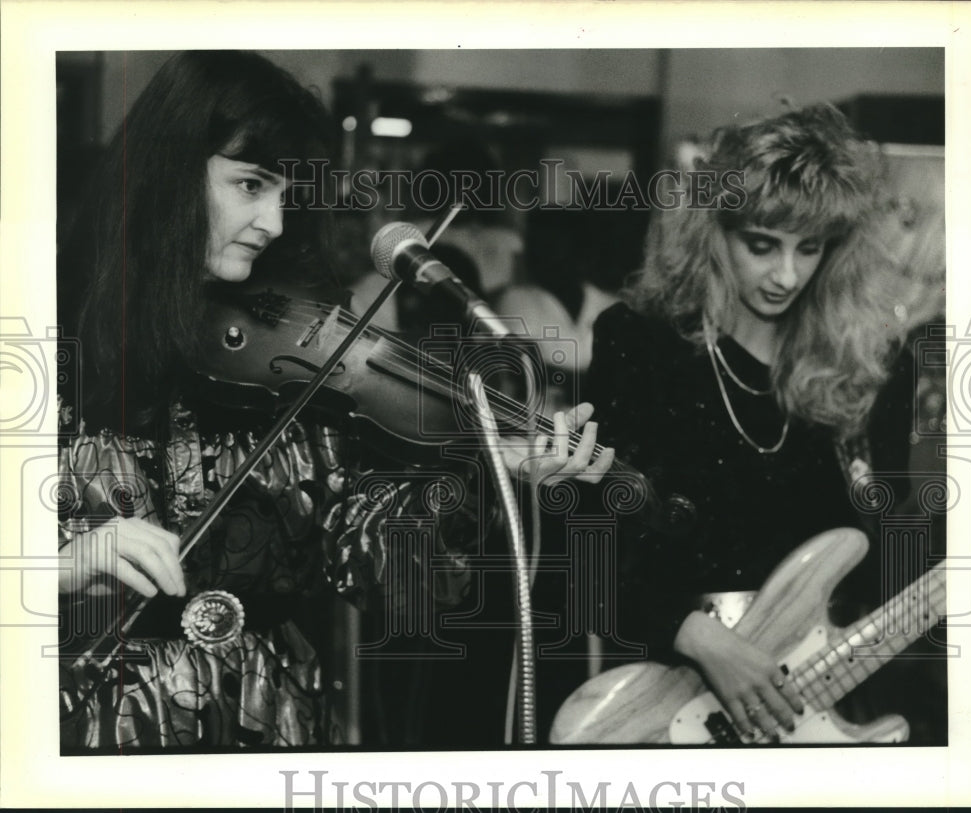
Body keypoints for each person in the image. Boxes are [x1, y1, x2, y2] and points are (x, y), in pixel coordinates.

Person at [56, 50, 612, 751]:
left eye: (286, 193)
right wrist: (59, 562)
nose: (275, 223)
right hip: (90, 721)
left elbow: (365, 552)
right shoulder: (51, 333)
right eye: (250, 184)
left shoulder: (292, 345)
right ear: (168, 170)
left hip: (268, 717)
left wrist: (485, 475)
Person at [585, 104, 925, 742]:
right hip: (669, 708)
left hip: (818, 705)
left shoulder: (867, 369)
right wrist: (699, 637)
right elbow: (591, 553)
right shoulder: (643, 346)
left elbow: (883, 563)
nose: (787, 275)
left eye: (811, 249)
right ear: (715, 233)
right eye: (762, 245)